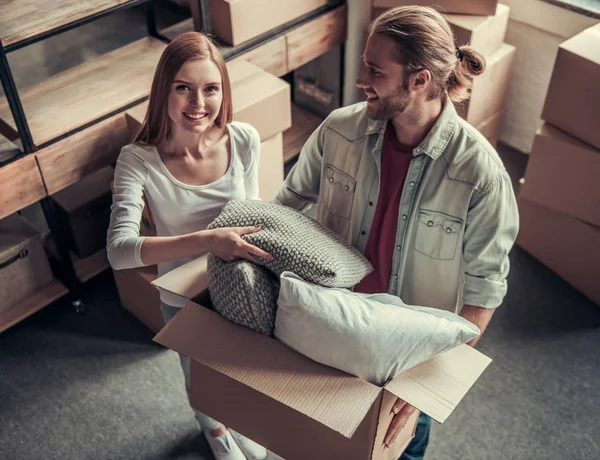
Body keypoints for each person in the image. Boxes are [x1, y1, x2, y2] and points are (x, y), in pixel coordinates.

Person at [272, 6, 519, 460]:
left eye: (374, 70)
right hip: (331, 323)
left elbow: (484, 292)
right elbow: (286, 206)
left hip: (407, 354)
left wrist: (430, 380)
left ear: (420, 80)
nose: (360, 79)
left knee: (399, 451)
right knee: (315, 440)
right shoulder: (338, 130)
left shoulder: (481, 176)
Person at [107, 32, 272, 460]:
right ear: (165, 89)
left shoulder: (244, 139)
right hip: (184, 300)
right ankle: (214, 433)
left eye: (210, 88)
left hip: (241, 288)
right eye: (184, 87)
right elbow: (120, 251)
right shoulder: (137, 159)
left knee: (245, 376)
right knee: (201, 381)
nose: (198, 103)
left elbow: (253, 214)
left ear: (223, 91)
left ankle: (241, 426)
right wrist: (207, 241)